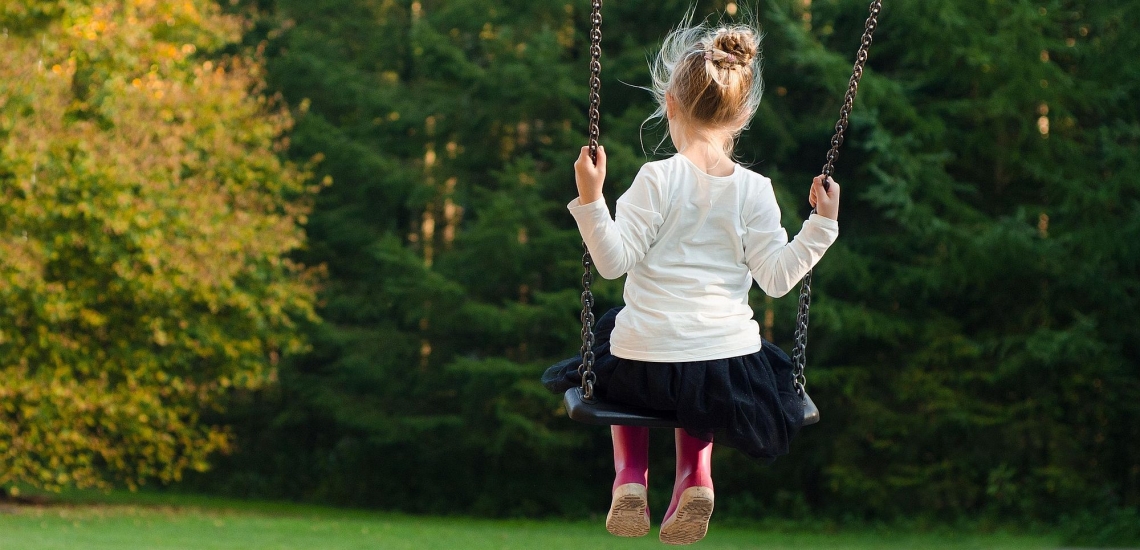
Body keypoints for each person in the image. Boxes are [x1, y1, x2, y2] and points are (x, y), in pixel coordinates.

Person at [541, 14, 841, 546]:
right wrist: (821, 225)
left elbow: (611, 261)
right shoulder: (755, 190)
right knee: (702, 378)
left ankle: (630, 477)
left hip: (645, 362)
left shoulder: (656, 179)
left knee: (617, 340)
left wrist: (591, 199)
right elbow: (776, 280)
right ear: (743, 115)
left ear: (670, 106)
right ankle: (696, 478)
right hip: (725, 366)